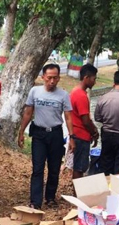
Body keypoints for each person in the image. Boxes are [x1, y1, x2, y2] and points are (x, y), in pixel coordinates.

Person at [17, 63, 75, 209]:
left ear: (59, 78)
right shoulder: (35, 92)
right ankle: (35, 201)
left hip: (55, 133)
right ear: (43, 77)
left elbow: (68, 117)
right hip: (39, 134)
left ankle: (50, 197)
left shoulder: (63, 95)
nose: (52, 81)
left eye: (55, 78)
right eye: (49, 78)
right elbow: (28, 112)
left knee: (54, 168)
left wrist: (71, 137)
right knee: (37, 168)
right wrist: (21, 131)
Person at [70, 64, 99, 179]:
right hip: (81, 136)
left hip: (76, 134)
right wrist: (94, 132)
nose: (94, 82)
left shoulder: (74, 91)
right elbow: (86, 121)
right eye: (94, 78)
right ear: (86, 78)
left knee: (78, 166)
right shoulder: (81, 95)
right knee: (80, 167)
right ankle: (77, 195)